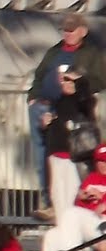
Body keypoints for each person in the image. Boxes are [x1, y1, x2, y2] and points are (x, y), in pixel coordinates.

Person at [28, 15, 106, 219]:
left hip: (78, 125)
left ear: (83, 31)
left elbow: (99, 80)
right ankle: (50, 204)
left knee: (75, 183)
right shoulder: (54, 51)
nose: (68, 34)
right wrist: (34, 97)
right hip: (52, 116)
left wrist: (78, 85)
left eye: (72, 30)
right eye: (65, 30)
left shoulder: (91, 53)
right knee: (47, 166)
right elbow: (39, 75)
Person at [38, 65, 99, 219]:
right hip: (56, 153)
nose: (65, 82)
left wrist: (79, 81)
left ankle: (73, 229)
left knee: (72, 194)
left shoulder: (83, 101)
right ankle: (62, 228)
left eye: (69, 79)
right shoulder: (58, 101)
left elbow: (86, 103)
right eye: (63, 79)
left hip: (73, 156)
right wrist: (47, 126)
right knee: (57, 195)